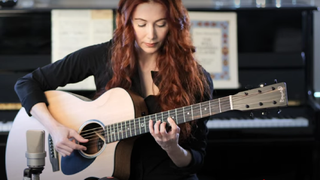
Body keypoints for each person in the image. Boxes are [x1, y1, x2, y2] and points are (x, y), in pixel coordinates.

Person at [14, 0, 214, 179]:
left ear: (173, 25)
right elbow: (27, 83)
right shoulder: (103, 55)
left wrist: (173, 147)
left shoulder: (195, 78)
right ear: (127, 23)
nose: (151, 34)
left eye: (160, 24)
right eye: (141, 24)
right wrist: (55, 129)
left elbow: (195, 159)